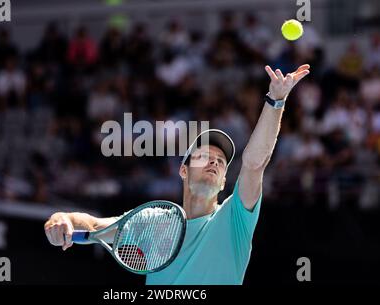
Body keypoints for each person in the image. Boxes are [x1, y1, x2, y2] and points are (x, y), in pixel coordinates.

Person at [44, 64, 310, 284]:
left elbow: (254, 163)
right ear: (183, 170)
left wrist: (275, 101)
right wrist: (61, 219)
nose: (214, 162)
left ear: (223, 183)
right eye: (204, 157)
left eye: (220, 161)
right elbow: (91, 225)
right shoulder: (153, 222)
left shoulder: (235, 218)